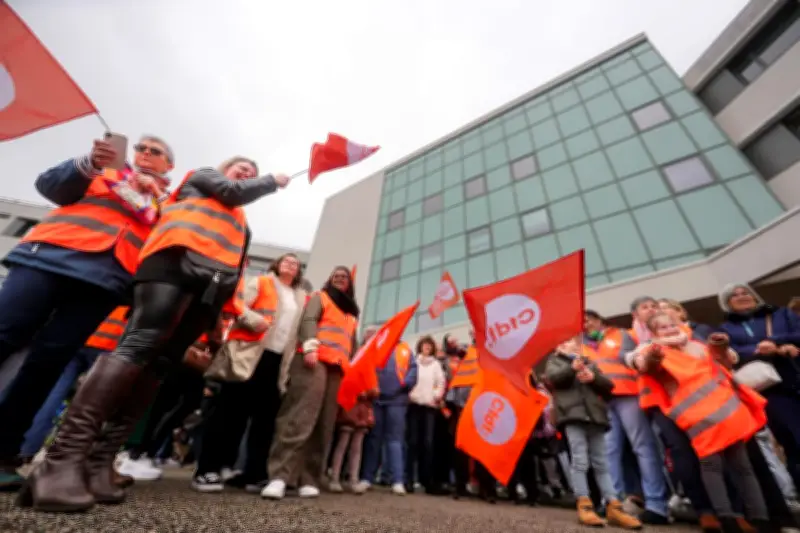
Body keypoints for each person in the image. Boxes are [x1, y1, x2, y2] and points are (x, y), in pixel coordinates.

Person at [17, 156, 290, 512]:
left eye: (252, 173)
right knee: (139, 345)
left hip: (207, 290)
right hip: (171, 265)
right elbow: (231, 191)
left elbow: (236, 265)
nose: (248, 174)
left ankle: (100, 461)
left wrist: (217, 322)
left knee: (159, 365)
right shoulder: (205, 179)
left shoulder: (239, 222)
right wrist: (272, 180)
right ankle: (61, 460)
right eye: (242, 169)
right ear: (226, 169)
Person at [0, 136, 173, 490]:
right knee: (4, 334)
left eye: (155, 151)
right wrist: (91, 163)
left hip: (106, 279)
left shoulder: (171, 203)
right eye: (141, 147)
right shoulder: (103, 168)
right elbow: (50, 186)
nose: (144, 154)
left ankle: (4, 452)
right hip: (49, 256)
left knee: (47, 363)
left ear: (168, 166)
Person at [630, 312, 770, 532]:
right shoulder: (651, 350)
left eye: (672, 324)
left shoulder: (698, 345)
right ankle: (726, 517)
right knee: (712, 465)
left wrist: (721, 347)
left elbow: (727, 361)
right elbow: (644, 365)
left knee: (742, 466)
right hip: (698, 418)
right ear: (654, 333)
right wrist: (653, 358)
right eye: (663, 328)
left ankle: (759, 518)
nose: (670, 330)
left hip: (726, 413)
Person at [194, 253, 307, 492]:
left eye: (295, 263)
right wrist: (254, 319)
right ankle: (207, 469)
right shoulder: (262, 282)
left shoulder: (299, 297)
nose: (291, 264)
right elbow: (238, 305)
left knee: (265, 420)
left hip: (276, 362)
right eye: (286, 260)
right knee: (229, 412)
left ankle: (253, 473)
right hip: (249, 355)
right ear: (276, 264)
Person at [262, 266, 359, 501]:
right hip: (313, 360)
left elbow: (352, 345)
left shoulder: (351, 313)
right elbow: (308, 320)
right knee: (300, 416)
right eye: (335, 274)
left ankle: (308, 478)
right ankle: (280, 477)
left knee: (324, 424)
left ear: (350, 284)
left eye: (344, 276)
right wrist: (309, 346)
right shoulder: (320, 297)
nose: (339, 278)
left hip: (337, 369)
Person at [544, 338, 643, 530]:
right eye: (562, 343)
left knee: (601, 463)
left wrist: (593, 378)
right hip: (573, 416)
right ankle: (584, 502)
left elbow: (608, 387)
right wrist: (572, 368)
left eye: (569, 342)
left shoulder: (588, 362)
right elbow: (555, 379)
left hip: (595, 416)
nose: (565, 345)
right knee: (580, 461)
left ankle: (613, 505)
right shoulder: (554, 362)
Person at [583, 308, 670, 524]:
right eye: (581, 323)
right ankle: (613, 503)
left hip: (629, 395)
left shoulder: (622, 334)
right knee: (609, 452)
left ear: (598, 318)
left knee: (643, 446)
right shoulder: (580, 346)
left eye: (588, 320)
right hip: (602, 402)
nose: (585, 325)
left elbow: (641, 355)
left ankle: (657, 505)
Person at [718, 283, 800, 492]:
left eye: (745, 292)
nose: (741, 296)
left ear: (755, 296)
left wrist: (775, 342)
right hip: (770, 391)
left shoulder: (781, 314)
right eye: (734, 296)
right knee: (792, 440)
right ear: (727, 304)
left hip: (795, 374)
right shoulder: (726, 329)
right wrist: (757, 350)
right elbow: (731, 353)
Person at [357, 338, 417, 495]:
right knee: (373, 439)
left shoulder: (405, 350)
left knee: (395, 441)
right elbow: (368, 368)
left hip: (397, 401)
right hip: (377, 399)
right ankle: (367, 478)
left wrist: (402, 387)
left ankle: (397, 481)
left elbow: (413, 372)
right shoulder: (377, 348)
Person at [405, 335, 445, 494]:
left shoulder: (436, 365)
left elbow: (440, 382)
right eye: (424, 345)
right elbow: (408, 378)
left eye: (430, 345)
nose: (427, 347)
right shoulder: (413, 361)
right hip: (414, 404)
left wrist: (436, 396)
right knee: (412, 442)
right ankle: (409, 479)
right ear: (420, 346)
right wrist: (410, 394)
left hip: (429, 406)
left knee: (427, 444)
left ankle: (426, 480)